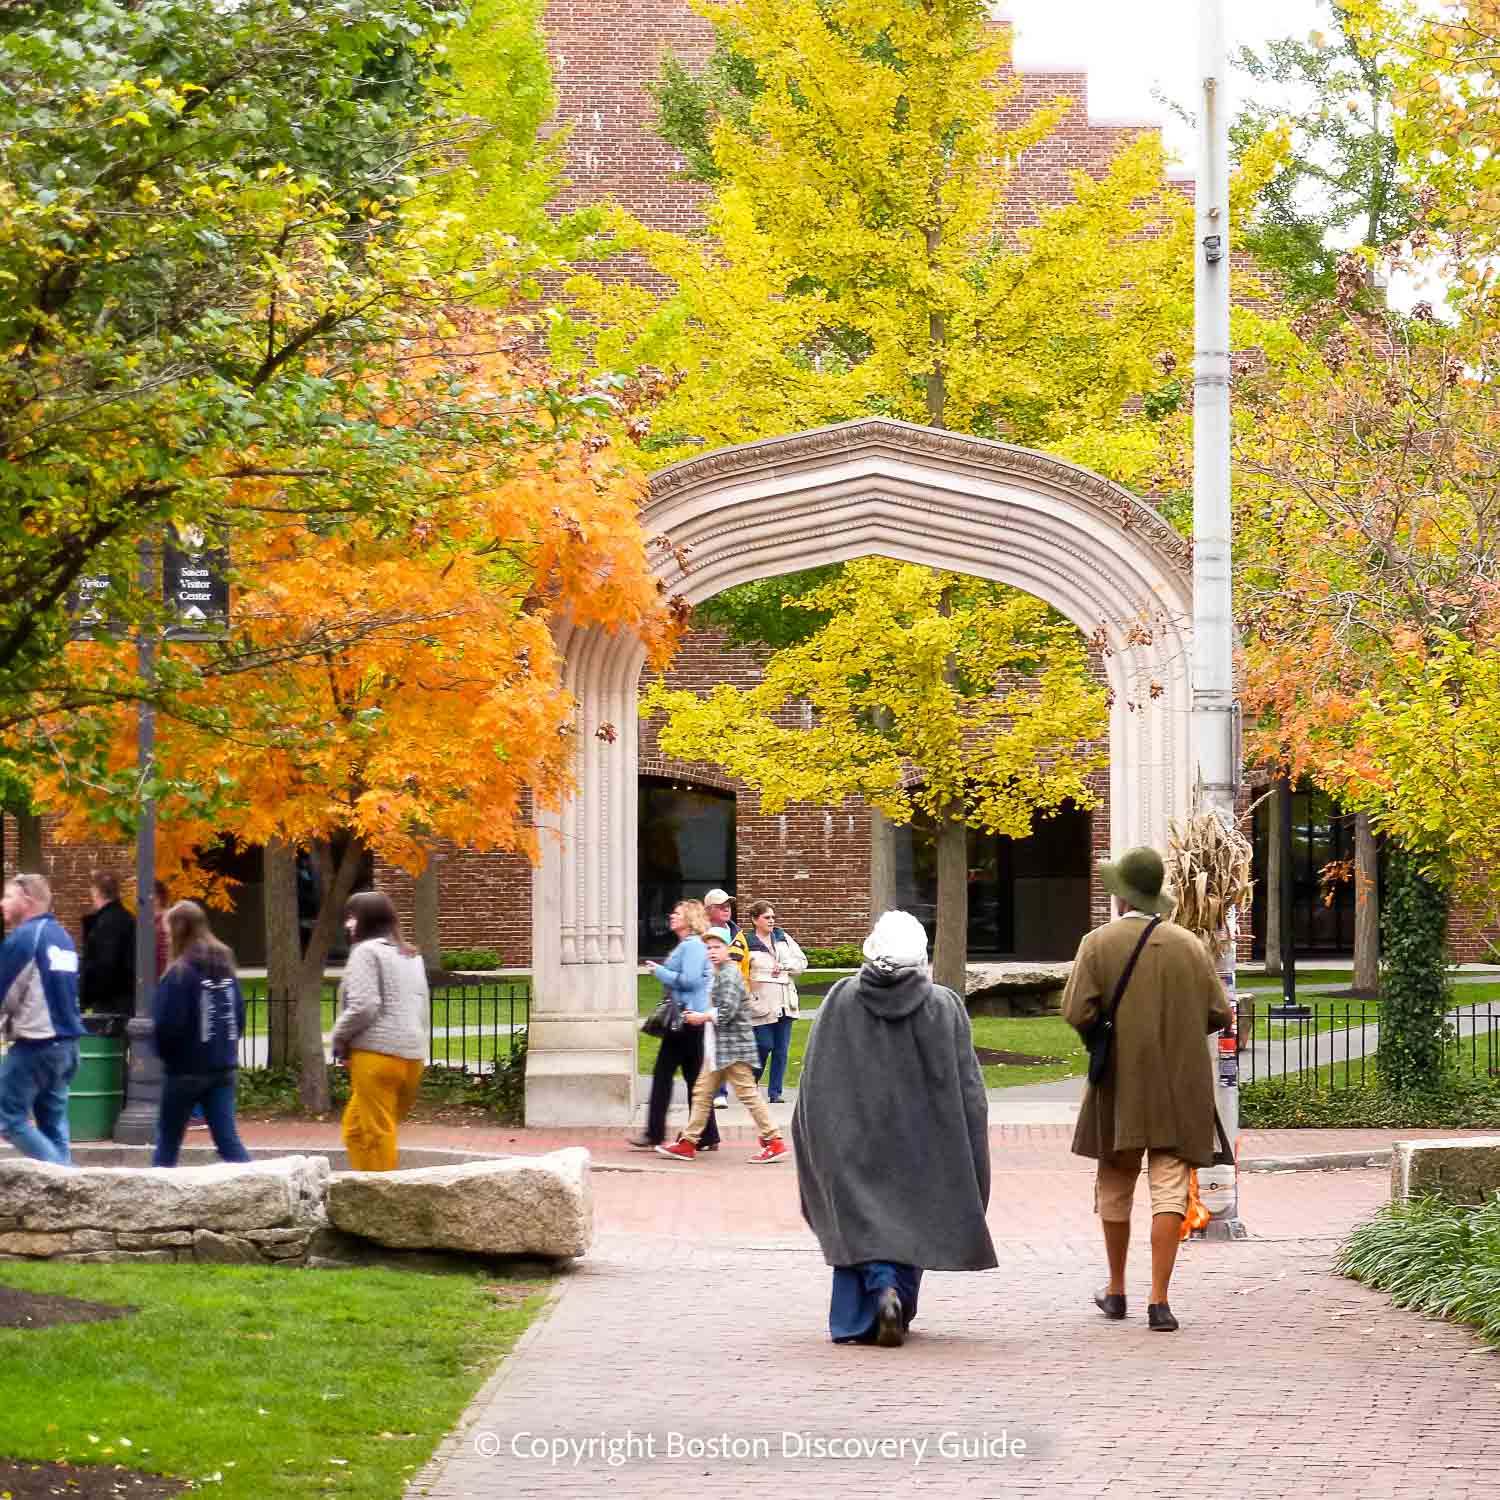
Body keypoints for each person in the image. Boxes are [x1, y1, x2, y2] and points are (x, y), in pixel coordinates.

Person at [793, 910, 995, 1347]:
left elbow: (815, 1079)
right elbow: (969, 1090)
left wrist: (815, 1135)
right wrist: (972, 1148)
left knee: (860, 1221)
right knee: (912, 1219)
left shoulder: (840, 1000)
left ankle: (873, 1296)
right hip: (923, 1142)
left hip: (853, 1137)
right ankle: (895, 1294)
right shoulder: (943, 1006)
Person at [1061, 846, 1233, 1333]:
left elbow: (1077, 1011)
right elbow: (1219, 1013)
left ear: (1120, 896)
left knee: (1115, 1185)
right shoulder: (1188, 946)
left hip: (1119, 1081)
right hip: (1180, 1083)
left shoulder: (1097, 944)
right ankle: (1159, 1301)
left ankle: (1116, 1291)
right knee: (1169, 1190)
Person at [655, 927, 788, 1163]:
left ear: (728, 948)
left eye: (717, 947)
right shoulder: (721, 972)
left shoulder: (728, 974)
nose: (712, 952)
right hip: (719, 1047)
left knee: (747, 1094)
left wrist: (700, 1017)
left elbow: (726, 1012)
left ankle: (774, 1140)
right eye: (708, 948)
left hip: (732, 1047)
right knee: (702, 1092)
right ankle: (688, 1142)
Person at [330, 890, 429, 1172]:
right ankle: (364, 1189)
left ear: (362, 920)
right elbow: (421, 1007)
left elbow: (364, 1005)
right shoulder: (410, 955)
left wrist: (339, 1038)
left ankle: (382, 1200)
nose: (347, 925)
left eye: (350, 918)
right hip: (411, 1057)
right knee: (355, 1130)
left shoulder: (366, 952)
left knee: (376, 1134)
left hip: (376, 1057)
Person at [151, 901, 253, 1167]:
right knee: (228, 1141)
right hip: (222, 1067)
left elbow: (168, 1025)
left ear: (177, 931)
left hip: (184, 1070)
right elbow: (239, 1017)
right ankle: (261, 1186)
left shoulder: (179, 973)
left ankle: (159, 1195)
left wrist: (165, 1055)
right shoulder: (225, 967)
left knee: (168, 1143)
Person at [0, 873, 84, 1165]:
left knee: (7, 1117)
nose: (2, 903)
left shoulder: (24, 938)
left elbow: (5, 992)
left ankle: (62, 1174)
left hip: (36, 1044)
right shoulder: (63, 937)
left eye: (8, 896)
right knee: (53, 1122)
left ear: (27, 900)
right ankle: (68, 1193)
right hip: (67, 1046)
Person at [627, 900, 721, 1152]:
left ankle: (656, 1132)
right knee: (693, 1079)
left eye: (677, 914)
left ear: (689, 919)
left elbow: (689, 981)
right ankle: (707, 1134)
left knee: (664, 1075)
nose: (671, 916)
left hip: (685, 1020)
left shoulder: (691, 946)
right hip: (689, 1020)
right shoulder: (691, 945)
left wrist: (660, 972)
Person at [744, 899, 807, 1103]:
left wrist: (786, 964)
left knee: (781, 1050)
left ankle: (775, 1093)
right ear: (755, 919)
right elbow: (739, 970)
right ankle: (751, 1084)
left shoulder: (782, 937)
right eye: (766, 917)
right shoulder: (746, 941)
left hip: (785, 1001)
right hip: (760, 1002)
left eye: (773, 917)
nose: (771, 921)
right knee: (764, 1045)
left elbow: (801, 962)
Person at [702, 888, 748, 1108]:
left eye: (728, 905)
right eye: (721, 906)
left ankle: (726, 1089)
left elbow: (746, 965)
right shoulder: (701, 936)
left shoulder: (738, 934)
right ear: (709, 910)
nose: (727, 909)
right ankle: (717, 1092)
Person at [79, 870, 133, 1017]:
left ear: (97, 892)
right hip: (124, 1000)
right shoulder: (127, 918)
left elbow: (103, 966)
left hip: (110, 1005)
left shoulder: (105, 924)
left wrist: (85, 997)